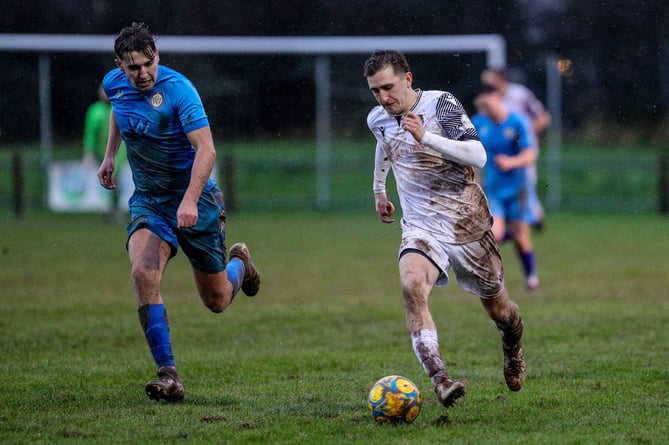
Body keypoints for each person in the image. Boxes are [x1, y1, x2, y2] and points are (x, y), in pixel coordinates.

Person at [97, 22, 260, 403]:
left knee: (217, 300)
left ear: (158, 57)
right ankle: (168, 375)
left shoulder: (178, 90)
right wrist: (109, 156)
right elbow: (119, 111)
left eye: (148, 64)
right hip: (150, 202)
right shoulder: (114, 83)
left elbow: (207, 150)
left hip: (196, 201)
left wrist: (189, 199)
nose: (143, 74)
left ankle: (240, 265)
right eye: (133, 66)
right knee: (143, 272)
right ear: (119, 65)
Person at [364, 49, 526, 409]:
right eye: (375, 91)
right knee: (411, 285)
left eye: (388, 87)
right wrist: (378, 189)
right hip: (421, 224)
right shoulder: (378, 117)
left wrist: (426, 137)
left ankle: (512, 345)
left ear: (408, 78)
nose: (383, 97)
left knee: (500, 310)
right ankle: (441, 380)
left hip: (467, 223)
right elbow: (384, 144)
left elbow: (477, 155)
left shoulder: (441, 105)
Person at [473, 85, 540, 291]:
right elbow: (472, 156)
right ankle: (492, 281)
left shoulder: (517, 122)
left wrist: (511, 162)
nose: (486, 106)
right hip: (493, 189)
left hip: (518, 190)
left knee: (521, 238)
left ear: (498, 97)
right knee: (496, 235)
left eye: (488, 101)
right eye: (482, 103)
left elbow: (530, 154)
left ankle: (531, 277)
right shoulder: (479, 124)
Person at [481, 68, 550, 229]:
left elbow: (543, 117)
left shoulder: (519, 94)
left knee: (523, 183)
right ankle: (523, 219)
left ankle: (532, 216)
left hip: (520, 150)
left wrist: (519, 135)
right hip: (498, 150)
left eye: (489, 81)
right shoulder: (490, 99)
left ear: (499, 80)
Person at [82, 82, 127, 218]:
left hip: (120, 149)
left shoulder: (120, 107)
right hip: (101, 150)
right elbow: (90, 133)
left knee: (114, 177)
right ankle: (113, 207)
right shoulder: (95, 110)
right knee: (109, 178)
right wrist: (88, 153)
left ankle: (114, 208)